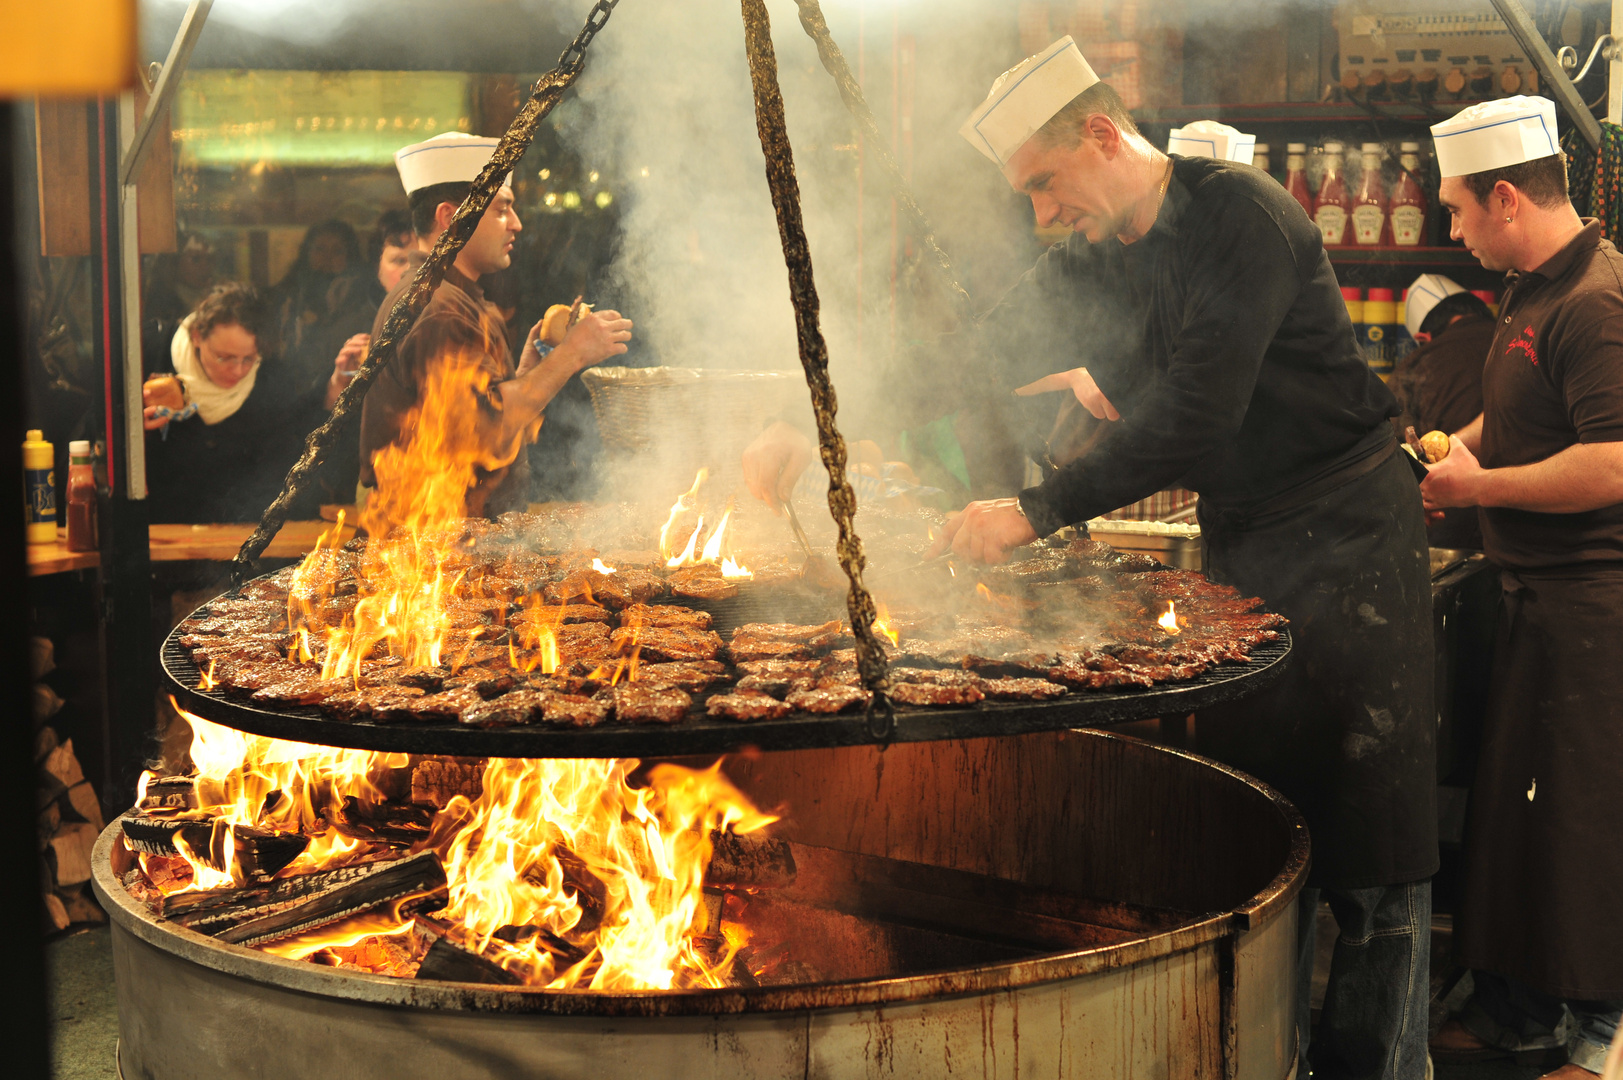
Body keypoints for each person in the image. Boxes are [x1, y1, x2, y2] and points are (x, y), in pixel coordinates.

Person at [743, 36, 1435, 1080]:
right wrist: (818, 412)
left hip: (1352, 544)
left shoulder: (1240, 218)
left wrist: (1034, 511)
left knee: (1372, 855)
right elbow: (978, 347)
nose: (1040, 214)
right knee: (1270, 831)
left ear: (1103, 135)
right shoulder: (1113, 253)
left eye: (1044, 185)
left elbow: (1198, 414)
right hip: (1249, 541)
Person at [1418, 95, 1623, 1079]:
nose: (1453, 230)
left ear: (1506, 197)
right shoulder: (1530, 290)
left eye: (1458, 209)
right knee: (1526, 819)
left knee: (1589, 823)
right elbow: (1518, 420)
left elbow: (1617, 462)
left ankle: (1604, 1035)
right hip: (1532, 603)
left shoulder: (1595, 301)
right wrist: (1441, 457)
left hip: (1595, 609)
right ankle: (1528, 1013)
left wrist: (1480, 487)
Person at [357, 132, 632, 518]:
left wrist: (526, 375)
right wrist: (570, 355)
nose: (516, 224)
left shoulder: (456, 297)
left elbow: (482, 410)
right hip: (433, 551)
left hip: (458, 543)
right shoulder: (439, 308)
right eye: (501, 210)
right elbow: (481, 434)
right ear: (451, 217)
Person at [141, 283, 351, 523]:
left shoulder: (270, 378)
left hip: (239, 528)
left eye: (249, 359)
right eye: (225, 357)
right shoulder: (149, 350)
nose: (237, 371)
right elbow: (97, 432)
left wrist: (334, 389)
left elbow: (293, 451)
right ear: (197, 336)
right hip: (159, 526)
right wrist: (132, 426)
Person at [1390, 274, 1495, 548]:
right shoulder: (1514, 340)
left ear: (1423, 338)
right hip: (1524, 529)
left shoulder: (1415, 366)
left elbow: (1396, 457)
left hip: (1448, 529)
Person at [268, 219, 375, 398]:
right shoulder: (289, 295)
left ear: (350, 256)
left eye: (337, 251)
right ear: (307, 253)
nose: (327, 257)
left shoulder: (363, 300)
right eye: (320, 249)